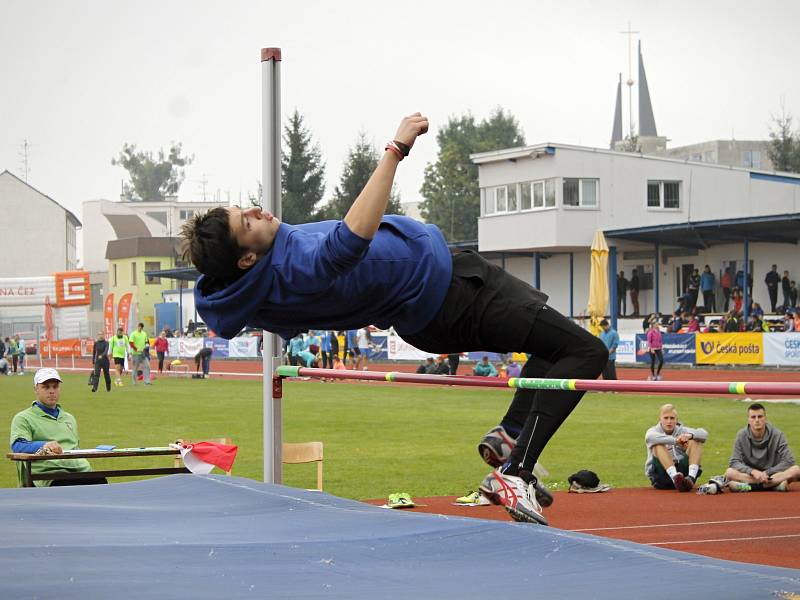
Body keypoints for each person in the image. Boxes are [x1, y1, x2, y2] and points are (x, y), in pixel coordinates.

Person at [181, 113, 607, 525]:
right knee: (585, 351)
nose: (258, 210)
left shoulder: (259, 283)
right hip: (452, 294)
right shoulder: (291, 269)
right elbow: (348, 243)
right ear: (247, 257)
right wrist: (396, 149)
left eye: (246, 208)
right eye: (247, 221)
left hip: (439, 296)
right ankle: (516, 471)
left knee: (553, 349)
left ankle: (510, 437)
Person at [9, 368, 107, 487]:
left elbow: (75, 447)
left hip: (80, 471)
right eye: (46, 387)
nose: (51, 391)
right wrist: (43, 445)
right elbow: (18, 445)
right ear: (36, 389)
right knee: (68, 486)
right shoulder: (23, 418)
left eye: (55, 387)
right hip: (51, 475)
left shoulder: (69, 418)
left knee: (101, 481)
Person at [724, 403, 799, 492]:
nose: (757, 420)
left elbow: (789, 461)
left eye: (760, 416)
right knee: (729, 472)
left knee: (796, 470)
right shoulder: (741, 435)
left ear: (765, 419)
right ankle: (775, 485)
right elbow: (734, 462)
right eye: (753, 417)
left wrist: (767, 473)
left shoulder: (778, 434)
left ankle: (750, 487)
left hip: (773, 474)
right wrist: (753, 472)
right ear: (748, 420)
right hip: (752, 475)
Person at [644, 403, 707, 492]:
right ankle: (675, 478)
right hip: (662, 477)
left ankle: (691, 478)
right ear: (660, 419)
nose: (669, 421)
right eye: (666, 418)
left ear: (677, 420)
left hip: (684, 477)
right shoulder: (653, 431)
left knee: (696, 441)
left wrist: (690, 435)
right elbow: (649, 437)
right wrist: (677, 441)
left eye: (672, 418)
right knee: (658, 445)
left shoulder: (683, 430)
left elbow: (704, 434)